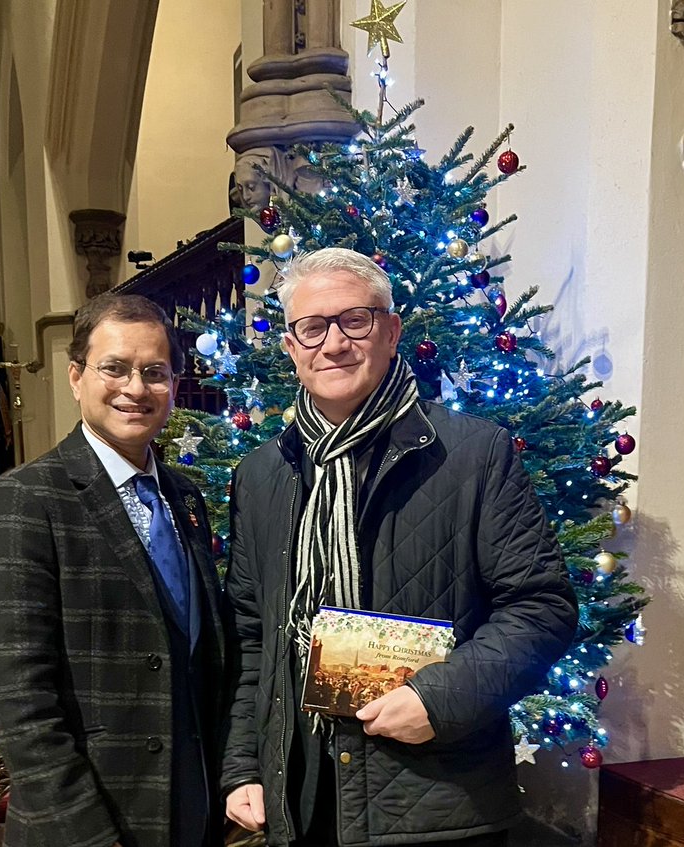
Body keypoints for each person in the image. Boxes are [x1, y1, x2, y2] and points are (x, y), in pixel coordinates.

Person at [221, 248, 578, 847]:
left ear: (391, 331)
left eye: (354, 321)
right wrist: (243, 767)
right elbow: (253, 633)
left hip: (434, 799)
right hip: (302, 797)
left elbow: (542, 609)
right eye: (311, 328)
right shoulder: (261, 475)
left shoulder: (472, 454)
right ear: (290, 348)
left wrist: (437, 700)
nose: (333, 344)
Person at [0, 293, 227, 847]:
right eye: (114, 368)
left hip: (190, 806)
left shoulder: (185, 497)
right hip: (90, 817)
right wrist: (84, 833)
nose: (135, 389)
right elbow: (19, 698)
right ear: (76, 377)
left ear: (174, 385)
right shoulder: (22, 499)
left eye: (155, 372)